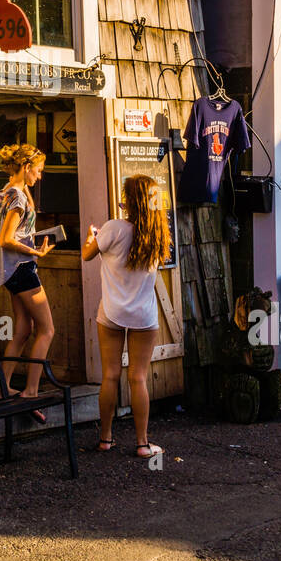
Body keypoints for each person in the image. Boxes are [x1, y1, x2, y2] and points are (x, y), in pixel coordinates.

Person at [82, 175, 172, 458]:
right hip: (144, 315)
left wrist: (90, 237)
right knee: (139, 378)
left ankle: (106, 439)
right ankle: (143, 444)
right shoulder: (158, 232)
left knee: (110, 375)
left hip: (111, 312)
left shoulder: (113, 228)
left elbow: (87, 255)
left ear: (129, 200)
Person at [0, 142, 54, 422]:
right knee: (47, 329)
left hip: (10, 270)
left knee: (22, 330)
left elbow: (18, 225)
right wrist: (36, 251)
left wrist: (24, 180)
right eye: (38, 171)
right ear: (27, 167)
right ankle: (31, 391)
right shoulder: (17, 198)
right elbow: (7, 239)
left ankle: (2, 386)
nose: (39, 177)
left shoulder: (8, 191)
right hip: (21, 267)